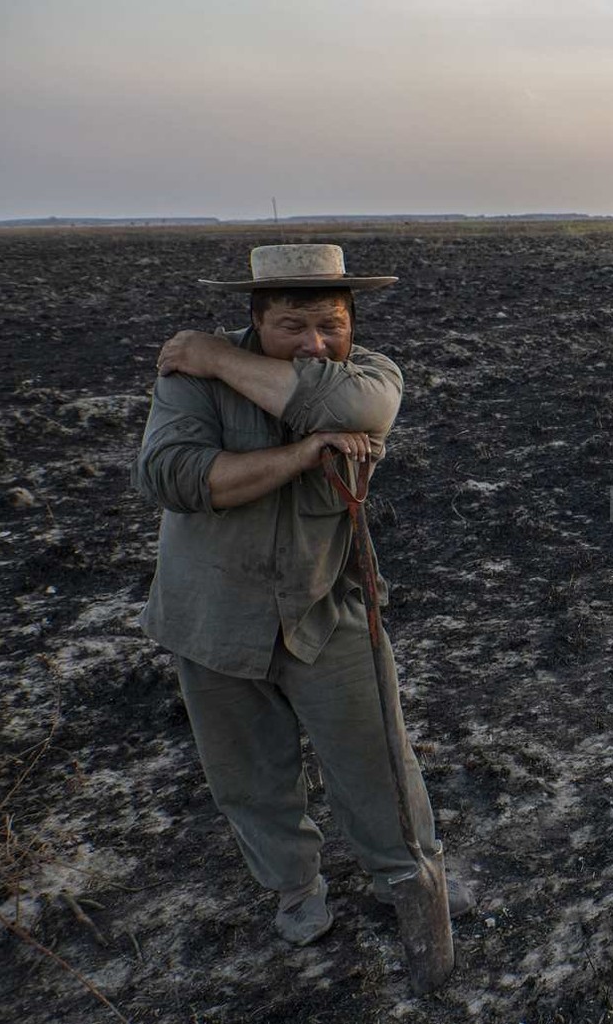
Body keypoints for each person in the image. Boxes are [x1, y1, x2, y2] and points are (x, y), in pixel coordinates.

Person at [132, 244, 473, 947]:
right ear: (255, 318)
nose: (316, 344)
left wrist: (216, 355)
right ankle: (293, 889)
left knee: (379, 762)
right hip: (213, 613)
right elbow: (174, 476)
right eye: (293, 326)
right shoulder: (186, 385)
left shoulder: (368, 373)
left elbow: (354, 406)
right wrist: (305, 454)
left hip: (327, 604)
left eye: (332, 324)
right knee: (251, 775)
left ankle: (410, 878)